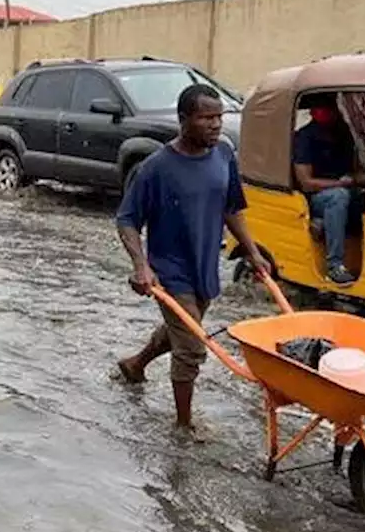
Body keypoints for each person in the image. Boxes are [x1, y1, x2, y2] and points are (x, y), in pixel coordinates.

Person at [115, 84, 270, 435]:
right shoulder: (156, 168)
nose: (216, 125)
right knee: (192, 347)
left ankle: (135, 365)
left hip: (205, 267)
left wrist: (253, 252)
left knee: (184, 328)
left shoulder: (224, 155)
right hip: (171, 272)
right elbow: (126, 219)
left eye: (219, 117)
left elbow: (232, 209)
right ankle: (184, 426)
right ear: (184, 120)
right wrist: (141, 266)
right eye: (206, 118)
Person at [293, 98, 360, 286]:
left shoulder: (345, 134)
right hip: (315, 198)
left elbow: (358, 171)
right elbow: (306, 182)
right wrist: (339, 183)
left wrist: (357, 179)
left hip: (346, 190)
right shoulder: (304, 137)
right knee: (338, 197)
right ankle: (334, 265)